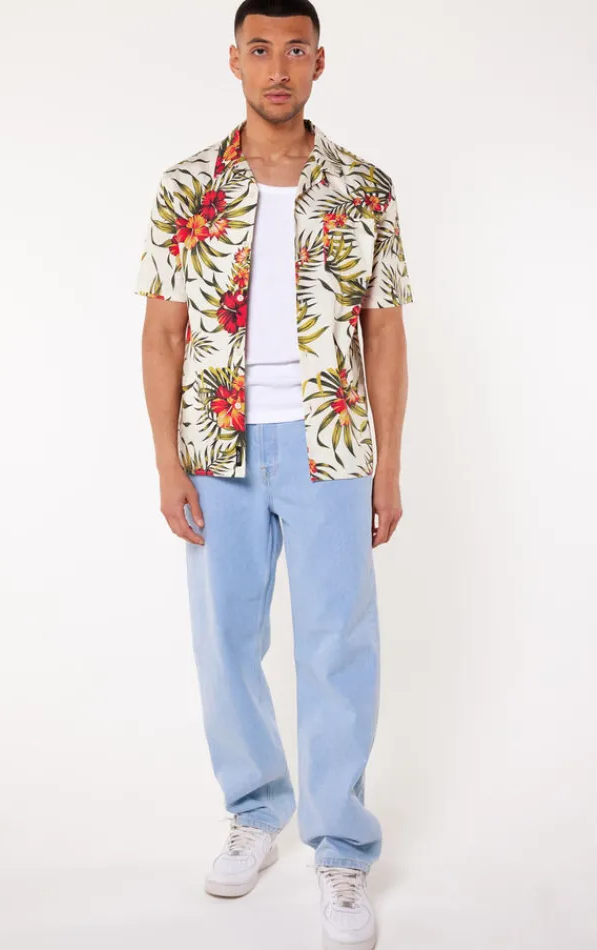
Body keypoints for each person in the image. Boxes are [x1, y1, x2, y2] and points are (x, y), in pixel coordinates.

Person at [134, 0, 413, 946]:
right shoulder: (187, 186)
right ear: (235, 60)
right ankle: (255, 810)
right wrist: (166, 461)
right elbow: (162, 333)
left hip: (332, 443)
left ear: (319, 62)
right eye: (261, 49)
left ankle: (342, 846)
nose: (278, 68)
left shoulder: (364, 187)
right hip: (218, 446)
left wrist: (388, 464)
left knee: (337, 643)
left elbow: (385, 331)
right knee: (226, 639)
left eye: (296, 50)